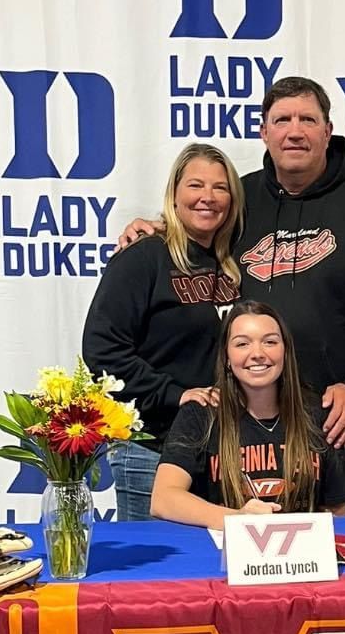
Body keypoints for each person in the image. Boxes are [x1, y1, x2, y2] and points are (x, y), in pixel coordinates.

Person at [120, 76, 345, 516]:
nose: (294, 130)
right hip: (260, 419)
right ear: (263, 132)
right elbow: (197, 223)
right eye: (282, 119)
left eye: (307, 119)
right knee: (265, 552)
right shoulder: (242, 199)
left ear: (328, 130)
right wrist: (157, 229)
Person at [82, 143, 242, 520]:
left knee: (219, 571)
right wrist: (175, 394)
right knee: (154, 574)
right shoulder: (143, 258)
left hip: (224, 450)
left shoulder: (234, 261)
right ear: (174, 193)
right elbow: (102, 352)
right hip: (152, 449)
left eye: (220, 188)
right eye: (195, 185)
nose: (207, 197)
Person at [151, 299, 345, 528]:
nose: (257, 353)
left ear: (285, 351)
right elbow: (163, 499)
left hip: (300, 559)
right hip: (224, 555)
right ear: (226, 357)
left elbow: (336, 511)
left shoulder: (318, 414)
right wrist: (238, 521)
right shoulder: (200, 413)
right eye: (242, 344)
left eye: (270, 342)